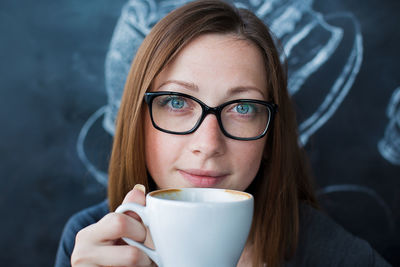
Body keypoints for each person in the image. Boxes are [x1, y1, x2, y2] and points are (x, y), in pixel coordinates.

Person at [55, 1, 391, 266]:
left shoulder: (328, 252)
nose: (208, 144)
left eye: (242, 108)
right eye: (176, 102)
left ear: (271, 137)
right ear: (136, 122)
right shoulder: (91, 242)